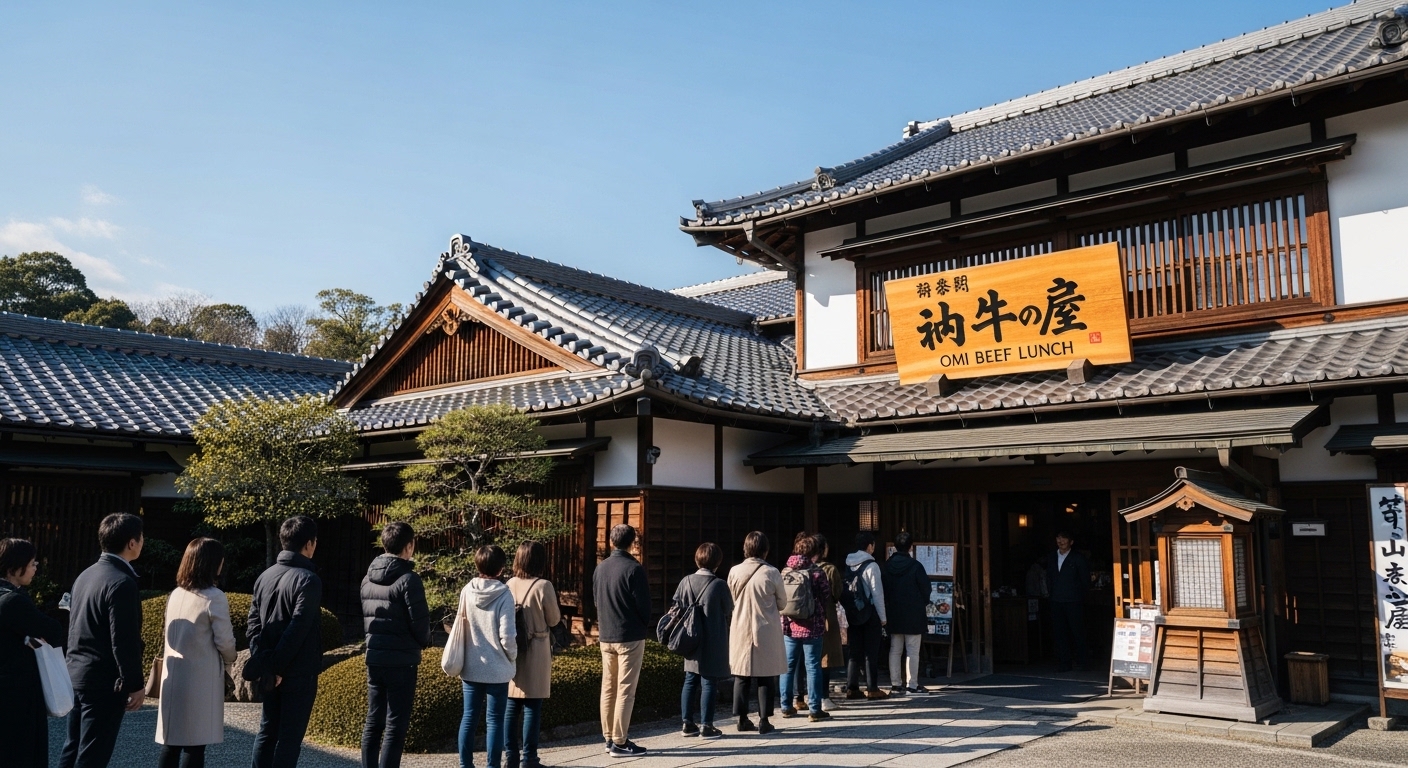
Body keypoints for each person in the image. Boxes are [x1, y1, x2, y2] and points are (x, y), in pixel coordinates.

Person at [59, 512, 146, 768]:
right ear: (132, 543)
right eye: (141, 539)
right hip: (105, 680)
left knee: (73, 748)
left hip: (76, 672)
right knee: (93, 754)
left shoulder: (85, 576)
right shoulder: (122, 582)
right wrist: (134, 683)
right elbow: (124, 639)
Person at [248, 515, 325, 768]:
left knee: (267, 732)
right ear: (310, 544)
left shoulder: (265, 576)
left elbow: (253, 626)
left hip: (270, 668)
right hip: (297, 671)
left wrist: (266, 664)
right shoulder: (308, 579)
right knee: (289, 740)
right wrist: (278, 666)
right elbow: (298, 628)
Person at [156, 538, 238, 768]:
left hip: (173, 676)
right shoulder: (214, 597)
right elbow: (225, 642)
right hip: (200, 677)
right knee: (195, 744)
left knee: (170, 743)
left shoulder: (176, 594)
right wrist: (231, 659)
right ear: (214, 563)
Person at [360, 522, 431, 768]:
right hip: (402, 661)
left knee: (373, 721)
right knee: (395, 724)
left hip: (375, 656)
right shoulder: (409, 580)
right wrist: (425, 642)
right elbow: (420, 624)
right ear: (409, 546)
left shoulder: (366, 579)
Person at [0, 538, 65, 768]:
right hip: (17, 694)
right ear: (14, 567)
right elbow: (53, 631)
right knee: (23, 753)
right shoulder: (13, 601)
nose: (35, 567)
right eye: (32, 563)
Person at [455, 545, 517, 768]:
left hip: (471, 665)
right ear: (501, 569)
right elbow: (507, 636)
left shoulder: (466, 590)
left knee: (469, 717)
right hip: (498, 669)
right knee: (495, 721)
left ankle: (465, 765)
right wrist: (512, 658)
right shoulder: (505, 594)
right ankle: (493, 766)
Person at [592, 524, 650, 757]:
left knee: (608, 686)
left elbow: (596, 600)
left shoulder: (601, 568)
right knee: (625, 689)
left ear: (611, 541)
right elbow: (644, 607)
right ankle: (620, 740)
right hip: (630, 635)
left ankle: (608, 737)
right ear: (633, 542)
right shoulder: (634, 569)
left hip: (606, 634)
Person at [506, 541, 560, 768]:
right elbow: (554, 619)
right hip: (536, 648)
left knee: (511, 706)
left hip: (512, 649)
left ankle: (510, 757)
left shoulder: (508, 584)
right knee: (532, 707)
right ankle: (529, 759)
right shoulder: (543, 586)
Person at [727, 531, 787, 735]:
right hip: (766, 628)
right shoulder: (772, 572)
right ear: (765, 550)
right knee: (765, 676)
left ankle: (742, 719)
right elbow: (783, 602)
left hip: (740, 626)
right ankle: (764, 720)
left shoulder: (734, 571)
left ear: (745, 548)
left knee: (741, 675)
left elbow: (730, 598)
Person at [673, 542, 731, 740]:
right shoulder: (719, 585)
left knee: (690, 680)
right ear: (717, 562)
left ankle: (687, 723)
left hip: (690, 638)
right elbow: (728, 610)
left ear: (697, 560)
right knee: (709, 682)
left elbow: (677, 607)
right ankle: (707, 725)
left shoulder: (685, 581)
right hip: (714, 638)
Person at [779, 534, 832, 721]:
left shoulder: (785, 571)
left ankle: (786, 706)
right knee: (813, 666)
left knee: (788, 666)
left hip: (789, 624)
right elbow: (825, 595)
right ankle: (815, 709)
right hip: (812, 625)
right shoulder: (816, 572)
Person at [882, 532, 932, 696]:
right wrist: (920, 603)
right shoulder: (916, 566)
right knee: (912, 650)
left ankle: (895, 684)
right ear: (911, 547)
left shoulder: (887, 566)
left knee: (895, 649)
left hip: (893, 612)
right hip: (913, 612)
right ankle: (912, 684)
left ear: (895, 546)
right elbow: (926, 589)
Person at [843, 532, 888, 700]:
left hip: (853, 612)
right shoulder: (871, 566)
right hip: (869, 613)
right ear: (870, 546)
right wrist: (883, 618)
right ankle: (872, 688)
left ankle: (852, 687)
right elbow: (877, 594)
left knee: (854, 651)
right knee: (871, 652)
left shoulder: (848, 563)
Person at [1043, 530, 1091, 671]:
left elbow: (1085, 581)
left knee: (1077, 631)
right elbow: (1049, 578)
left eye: (1064, 538)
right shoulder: (1052, 557)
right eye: (1058, 537)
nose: (1061, 541)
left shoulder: (1078, 558)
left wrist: (1081, 597)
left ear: (1071, 542)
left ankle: (1082, 661)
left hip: (1074, 600)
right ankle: (1064, 662)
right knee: (1059, 632)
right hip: (1056, 600)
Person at [812, 535, 844, 708]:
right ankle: (823, 697)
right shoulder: (829, 569)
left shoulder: (800, 568)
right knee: (825, 658)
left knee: (810, 659)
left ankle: (802, 696)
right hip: (826, 615)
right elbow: (837, 592)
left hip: (806, 617)